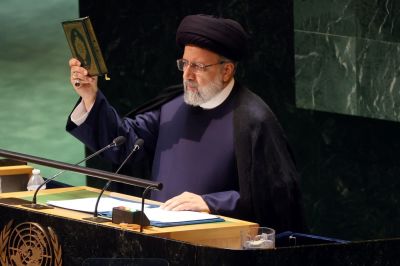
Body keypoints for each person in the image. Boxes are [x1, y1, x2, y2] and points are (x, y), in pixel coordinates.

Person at [66, 14, 306, 232]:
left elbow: (275, 198)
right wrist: (90, 96)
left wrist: (210, 203)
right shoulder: (172, 107)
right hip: (158, 239)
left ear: (227, 71)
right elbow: (125, 144)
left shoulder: (253, 120)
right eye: (184, 63)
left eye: (199, 66)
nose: (187, 74)